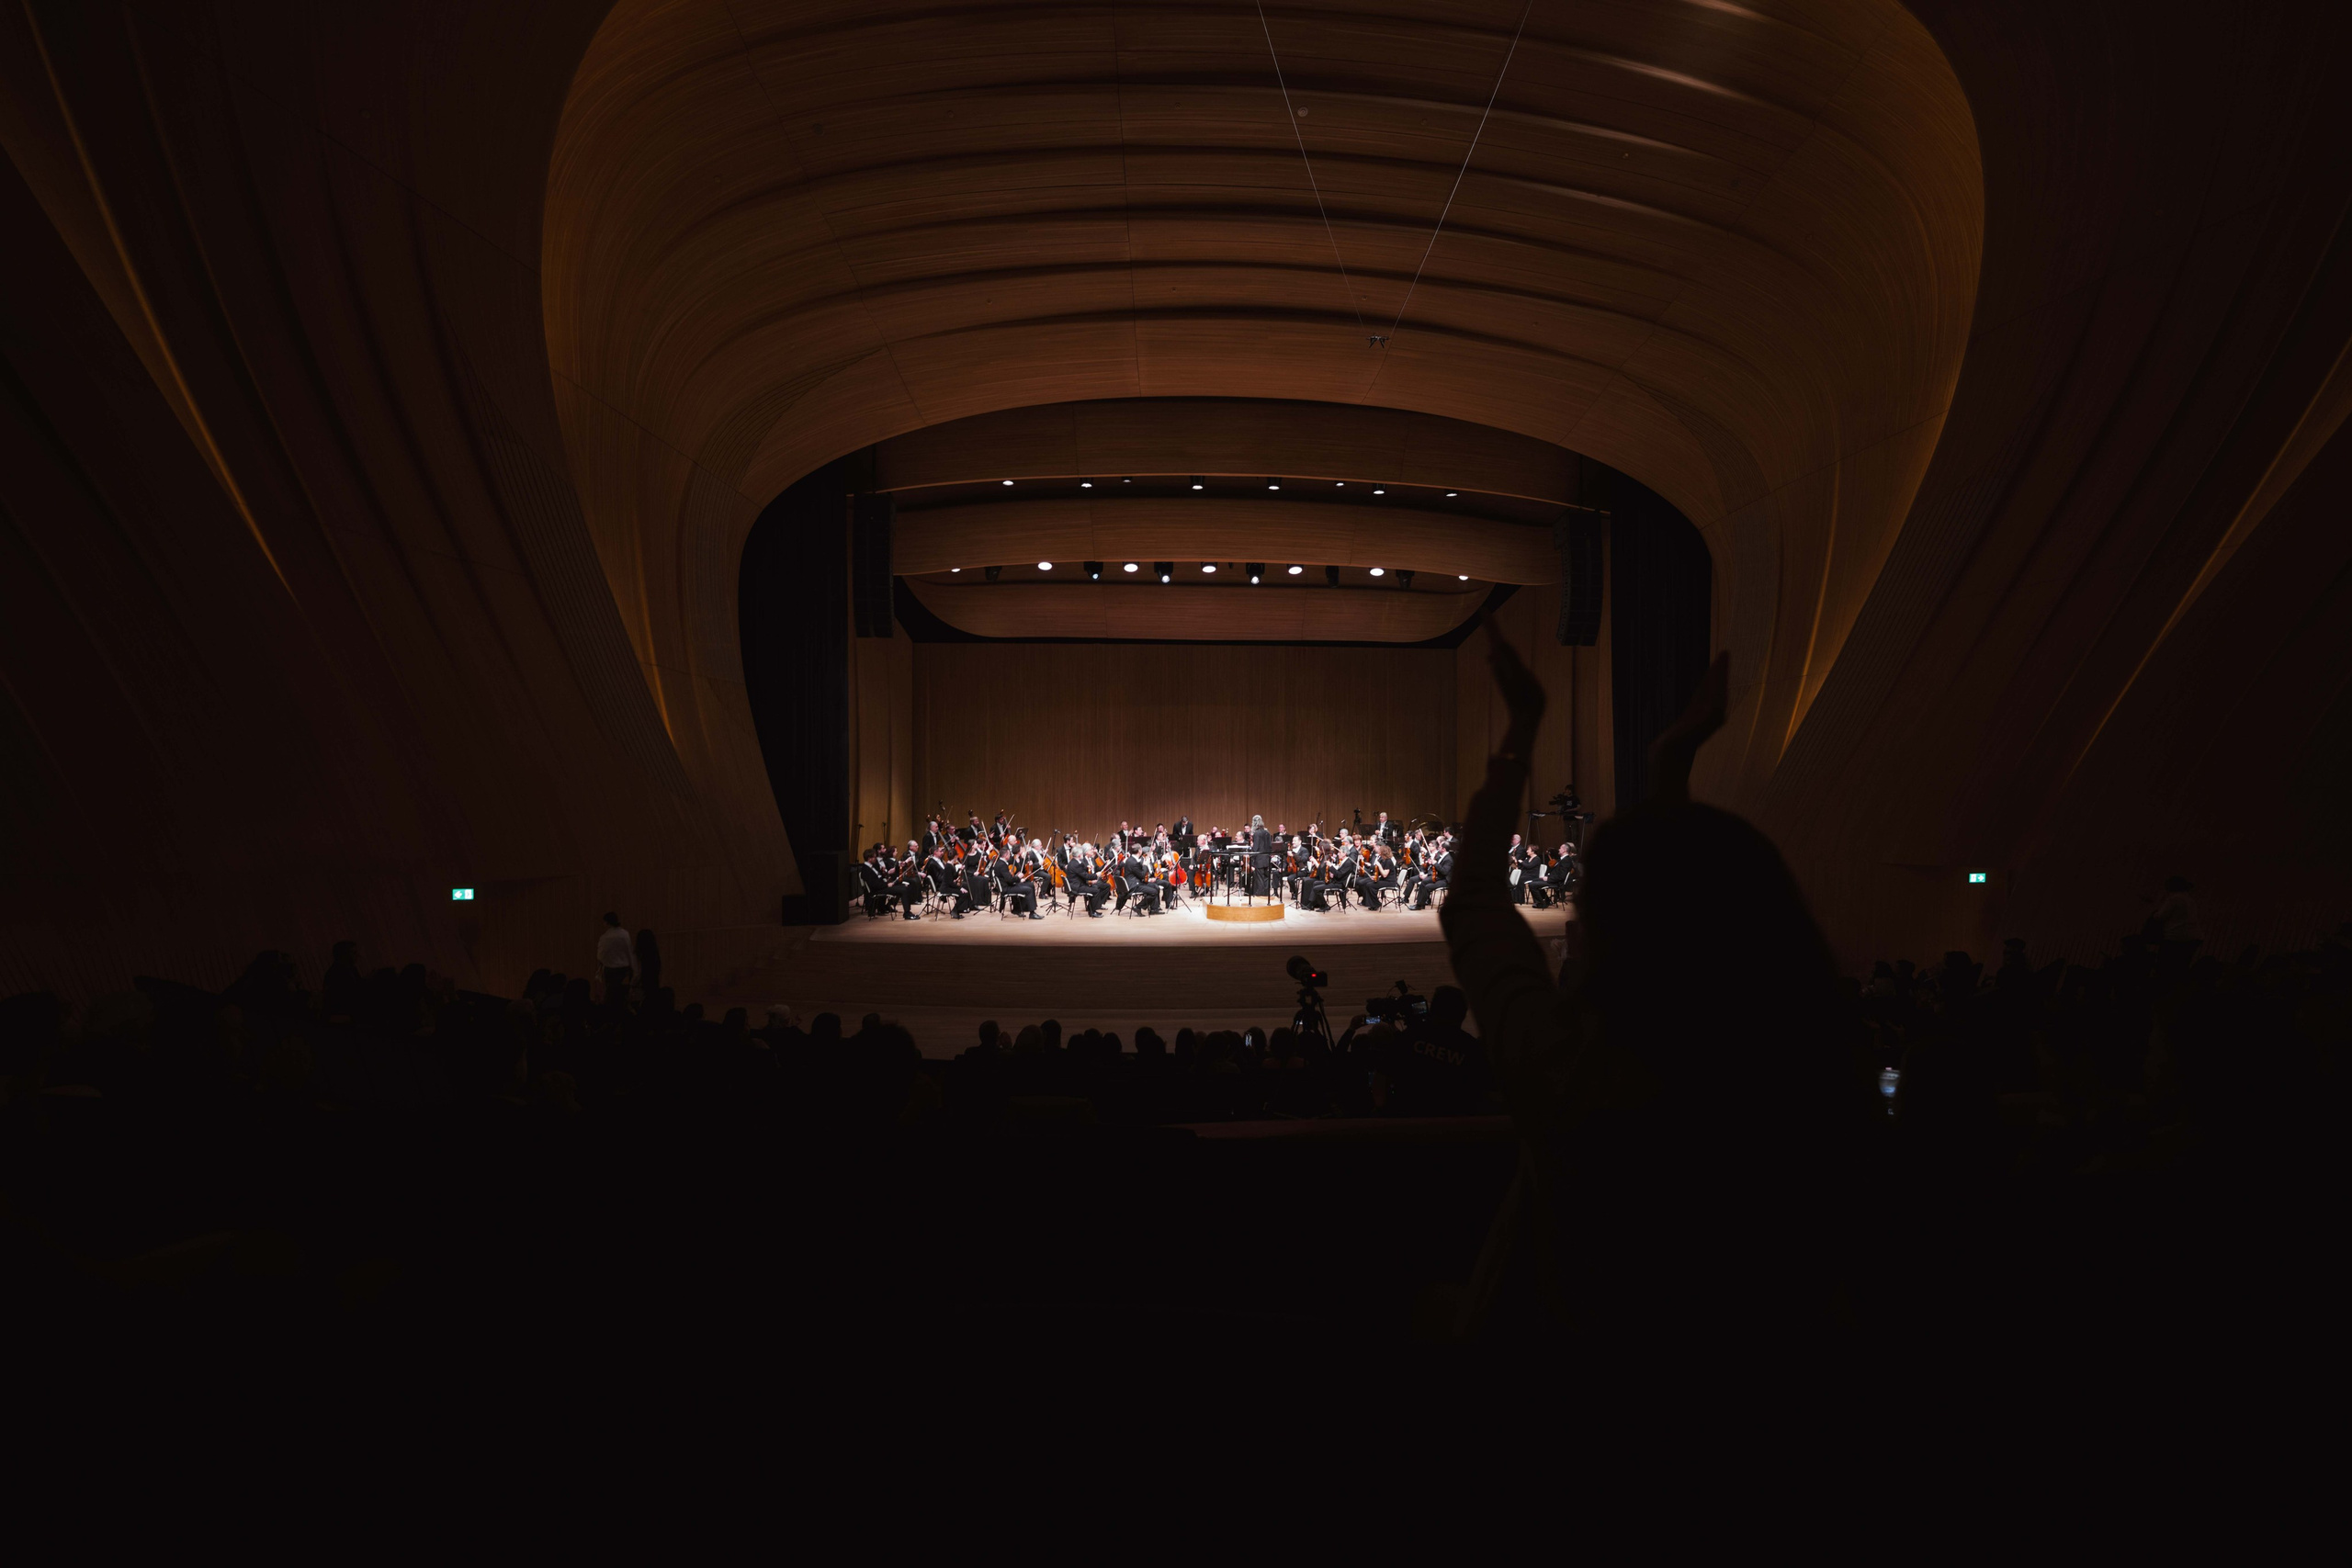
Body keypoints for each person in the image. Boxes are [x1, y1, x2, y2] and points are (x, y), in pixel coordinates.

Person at [1442, 621, 1872, 1361]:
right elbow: (1684, 925)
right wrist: (1668, 772)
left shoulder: (1567, 1077)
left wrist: (1522, 733)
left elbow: (1473, 894)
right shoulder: (1812, 1080)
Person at [596, 913, 634, 999]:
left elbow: (600, 955)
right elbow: (629, 951)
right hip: (624, 969)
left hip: (610, 969)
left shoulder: (605, 937)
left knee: (611, 993)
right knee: (623, 993)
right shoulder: (625, 934)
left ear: (606, 922)